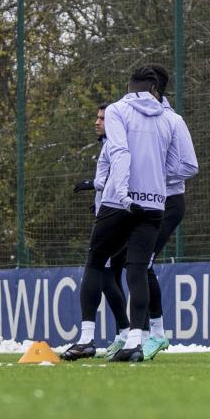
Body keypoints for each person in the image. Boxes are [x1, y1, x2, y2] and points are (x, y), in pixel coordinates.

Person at [63, 66, 175, 363]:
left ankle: (88, 338)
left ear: (130, 86)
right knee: (137, 269)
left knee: (96, 263)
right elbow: (186, 165)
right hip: (154, 204)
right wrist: (156, 181)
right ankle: (135, 340)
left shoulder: (119, 110)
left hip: (119, 202)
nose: (98, 121)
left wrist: (123, 192)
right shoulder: (170, 118)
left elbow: (120, 153)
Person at [141, 64, 199, 361]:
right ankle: (130, 334)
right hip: (141, 202)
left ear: (153, 90)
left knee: (142, 263)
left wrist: (154, 175)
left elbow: (190, 166)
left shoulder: (173, 120)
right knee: (130, 263)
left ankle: (156, 333)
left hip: (169, 202)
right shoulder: (134, 118)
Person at [72, 103, 132, 357]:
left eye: (102, 118)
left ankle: (111, 335)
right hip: (112, 213)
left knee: (101, 274)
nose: (97, 122)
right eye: (96, 117)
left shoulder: (114, 146)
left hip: (113, 215)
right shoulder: (112, 145)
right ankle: (125, 333)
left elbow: (109, 179)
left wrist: (91, 184)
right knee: (110, 278)